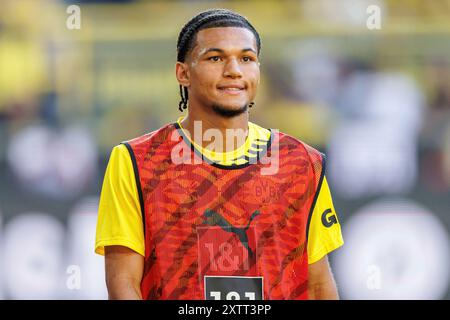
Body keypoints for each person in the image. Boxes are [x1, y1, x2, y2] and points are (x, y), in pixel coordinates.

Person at [95, 8, 344, 300]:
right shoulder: (135, 161)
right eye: (216, 58)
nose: (234, 70)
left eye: (246, 58)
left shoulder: (302, 162)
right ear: (183, 73)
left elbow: (317, 285)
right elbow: (123, 282)